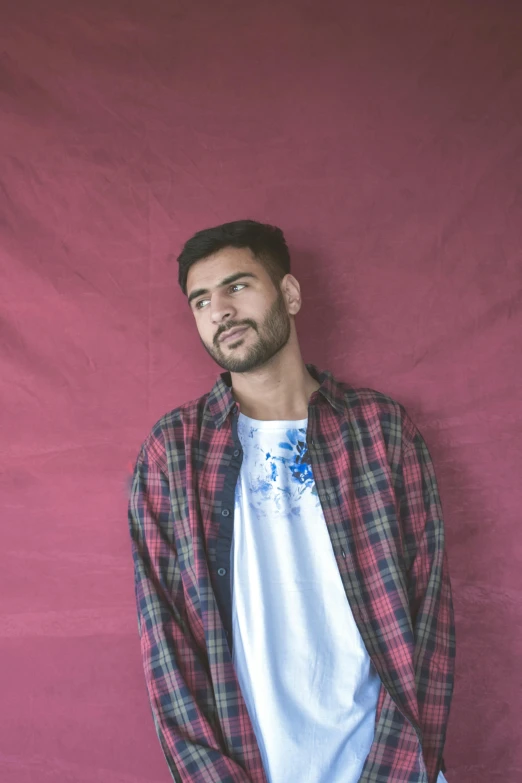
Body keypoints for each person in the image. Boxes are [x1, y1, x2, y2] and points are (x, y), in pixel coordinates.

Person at [127, 219, 456, 783]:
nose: (219, 311)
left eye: (237, 286)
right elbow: (167, 648)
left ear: (290, 293)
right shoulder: (173, 453)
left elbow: (430, 618)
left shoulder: (380, 430)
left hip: (389, 767)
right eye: (201, 300)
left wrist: (397, 772)